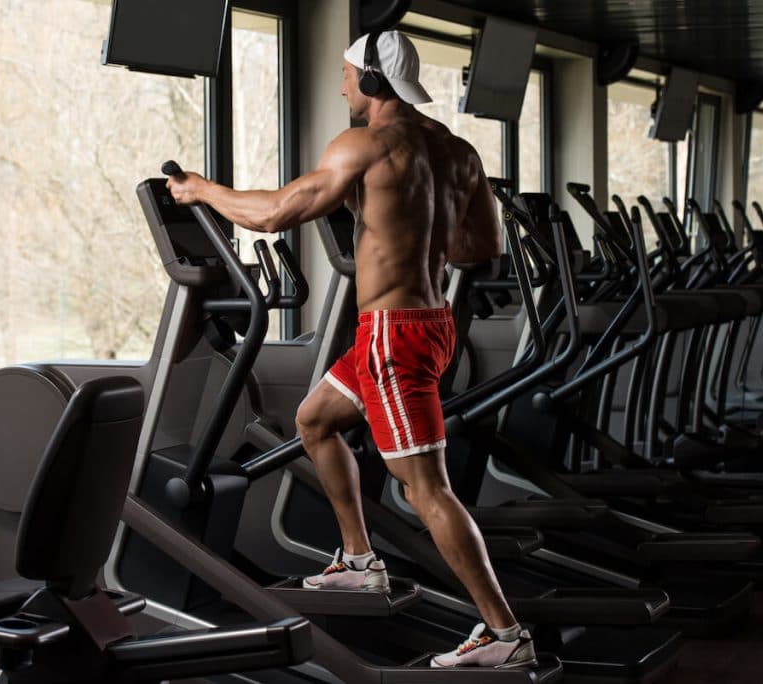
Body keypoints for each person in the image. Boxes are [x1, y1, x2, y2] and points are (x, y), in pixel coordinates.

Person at [166, 30, 535, 670]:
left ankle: (504, 632)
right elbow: (481, 250)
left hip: (394, 337)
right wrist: (411, 232)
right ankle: (361, 561)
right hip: (424, 324)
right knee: (314, 420)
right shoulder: (459, 152)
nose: (341, 86)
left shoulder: (363, 145)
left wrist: (202, 191)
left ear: (371, 82)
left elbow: (277, 213)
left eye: (346, 75)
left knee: (426, 489)